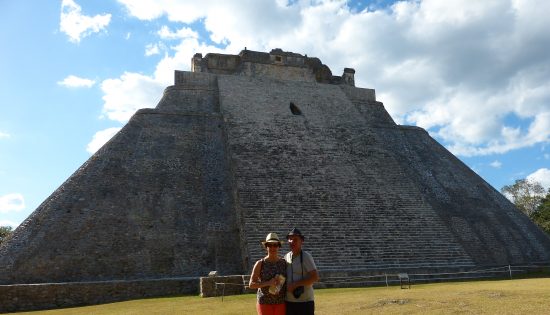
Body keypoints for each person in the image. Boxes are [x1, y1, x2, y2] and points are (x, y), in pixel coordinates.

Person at [249, 232, 287, 315]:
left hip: (281, 302)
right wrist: (268, 283)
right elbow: (251, 284)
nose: (272, 247)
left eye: (275, 245)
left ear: (279, 246)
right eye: (270, 245)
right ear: (266, 247)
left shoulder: (284, 263)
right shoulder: (260, 263)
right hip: (264, 303)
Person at [284, 228, 319, 315]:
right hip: (289, 301)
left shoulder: (306, 257)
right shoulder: (286, 257)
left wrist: (295, 284)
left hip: (305, 302)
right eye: (290, 239)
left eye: (295, 239)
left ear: (301, 241)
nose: (292, 241)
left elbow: (315, 277)